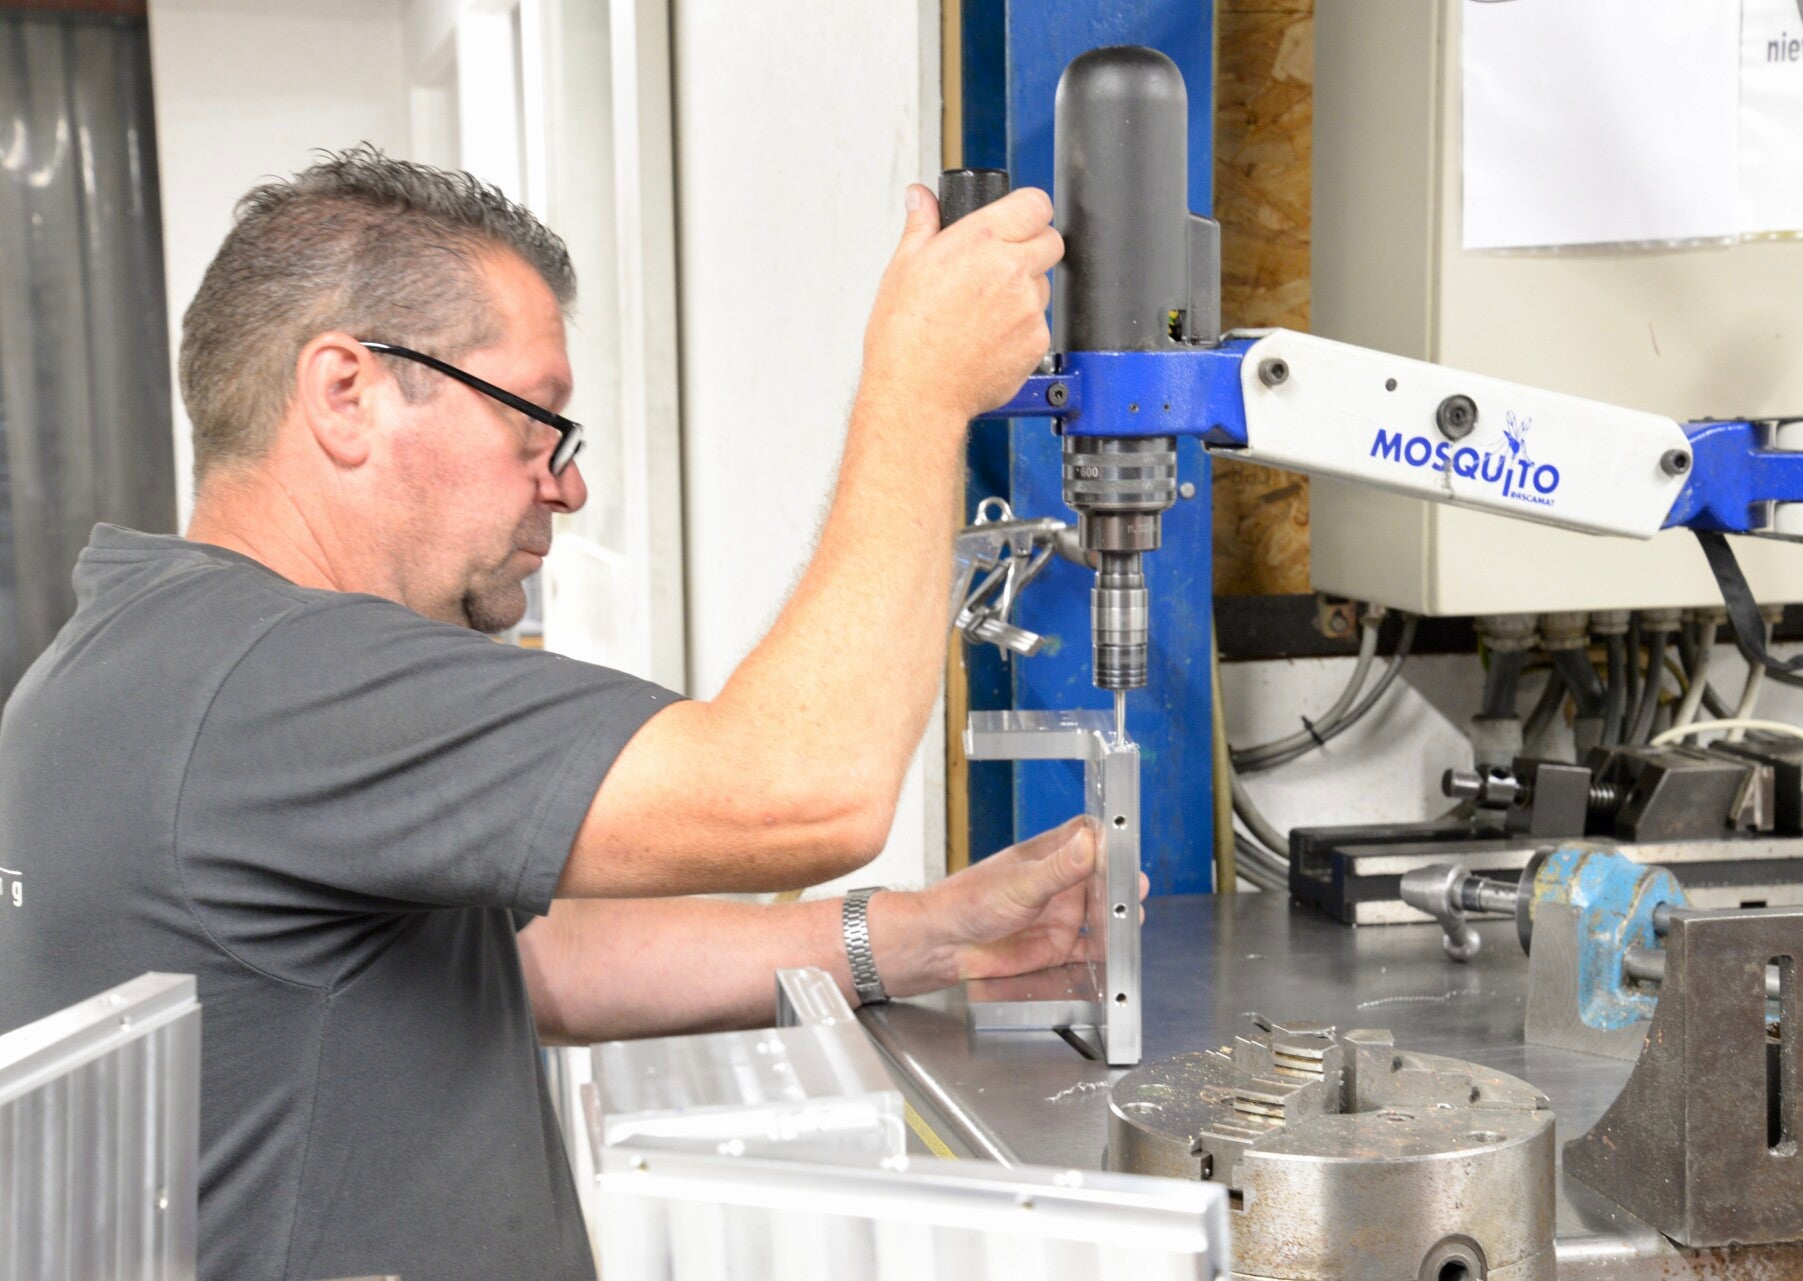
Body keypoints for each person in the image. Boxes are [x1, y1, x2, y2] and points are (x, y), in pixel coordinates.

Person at [0, 147, 1100, 1281]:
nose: (566, 485)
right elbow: (808, 787)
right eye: (533, 421)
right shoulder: (278, 676)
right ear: (346, 394)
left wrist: (922, 936)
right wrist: (920, 388)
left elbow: (534, 960)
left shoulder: (144, 653)